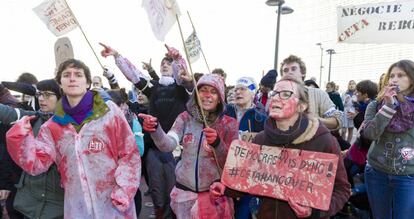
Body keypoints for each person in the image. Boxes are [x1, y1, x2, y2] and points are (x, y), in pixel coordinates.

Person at [6, 59, 141, 218]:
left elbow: (129, 153)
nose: (72, 78)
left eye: (78, 75)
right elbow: (36, 165)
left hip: (115, 206)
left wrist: (124, 191)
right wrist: (18, 139)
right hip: (77, 208)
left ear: (88, 83)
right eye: (66, 75)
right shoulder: (52, 127)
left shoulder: (109, 112)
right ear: (60, 84)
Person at [210, 75, 350, 218]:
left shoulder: (324, 141)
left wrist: (314, 212)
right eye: (274, 93)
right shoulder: (261, 139)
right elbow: (248, 180)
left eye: (285, 94)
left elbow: (342, 190)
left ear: (302, 106)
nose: (276, 98)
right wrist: (225, 188)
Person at [100, 42, 192, 219]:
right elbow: (134, 76)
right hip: (154, 149)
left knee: (176, 193)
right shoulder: (154, 88)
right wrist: (117, 56)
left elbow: (183, 76)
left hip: (177, 149)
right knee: (157, 194)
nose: (164, 65)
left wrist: (178, 58)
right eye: (162, 63)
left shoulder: (182, 90)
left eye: (168, 62)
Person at [139, 74, 238, 218]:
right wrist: (156, 130)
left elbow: (231, 165)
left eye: (213, 91)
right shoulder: (184, 118)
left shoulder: (229, 124)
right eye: (203, 90)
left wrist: (218, 144)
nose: (207, 95)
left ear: (220, 98)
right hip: (183, 195)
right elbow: (168, 144)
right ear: (196, 94)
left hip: (213, 198)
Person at [362, 60, 414, 219]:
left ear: (411, 78)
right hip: (376, 172)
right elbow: (370, 134)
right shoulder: (376, 105)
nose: (394, 80)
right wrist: (389, 106)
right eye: (391, 76)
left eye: (400, 75)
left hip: (407, 175)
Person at [225, 77, 267, 219]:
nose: (238, 92)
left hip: (248, 178)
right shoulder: (225, 113)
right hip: (224, 173)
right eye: (236, 89)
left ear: (253, 93)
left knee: (242, 214)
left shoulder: (260, 118)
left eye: (243, 89)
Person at [280, 55, 342, 130]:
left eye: (293, 69)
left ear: (303, 73)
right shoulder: (278, 98)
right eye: (286, 70)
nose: (289, 72)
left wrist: (315, 120)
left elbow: (337, 121)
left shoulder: (318, 94)